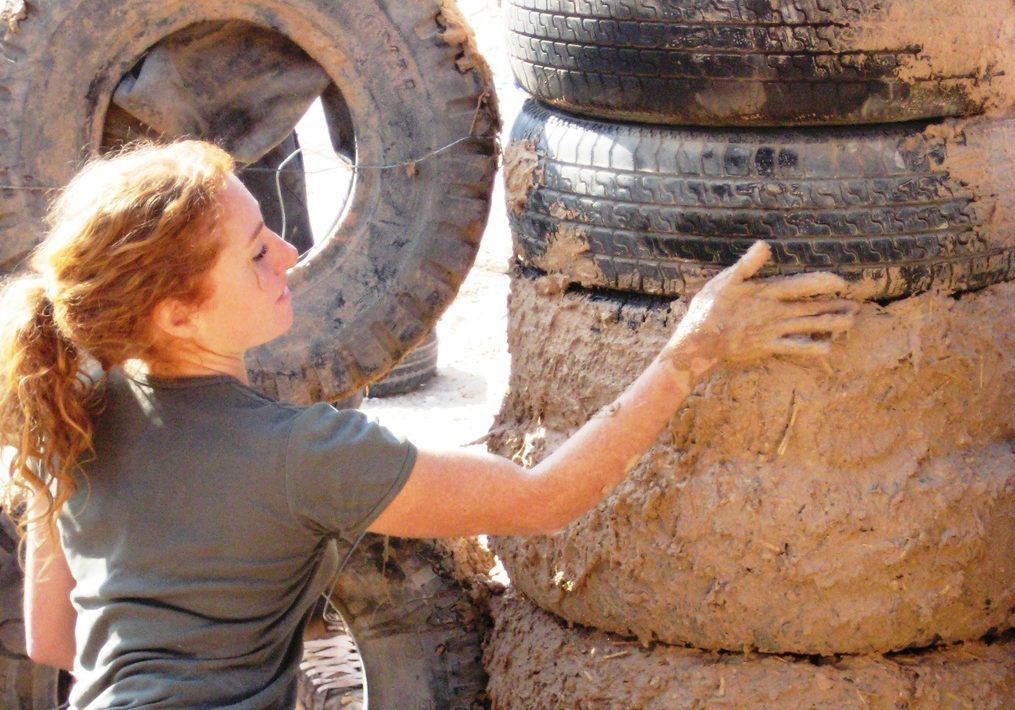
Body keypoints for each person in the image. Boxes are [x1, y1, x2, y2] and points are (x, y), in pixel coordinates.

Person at [0, 141, 858, 708]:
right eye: (257, 250)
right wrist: (690, 353)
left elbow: (55, 637)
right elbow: (548, 497)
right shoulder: (303, 456)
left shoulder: (71, 408)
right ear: (178, 314)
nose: (289, 256)